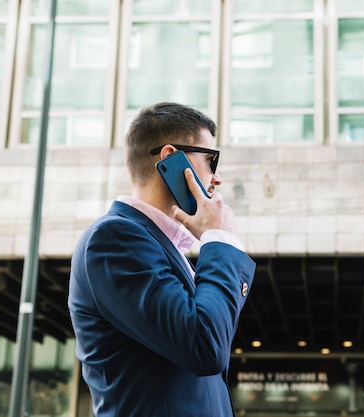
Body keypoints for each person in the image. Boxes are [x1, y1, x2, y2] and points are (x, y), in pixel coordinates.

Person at [68, 102, 256, 417]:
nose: (217, 177)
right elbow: (204, 347)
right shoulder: (114, 239)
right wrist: (221, 239)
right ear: (170, 158)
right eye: (211, 160)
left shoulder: (159, 247)